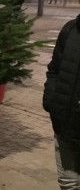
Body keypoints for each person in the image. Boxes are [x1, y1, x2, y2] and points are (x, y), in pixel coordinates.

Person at [43, 14, 80, 189]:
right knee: (68, 182)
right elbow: (54, 70)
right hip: (66, 126)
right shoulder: (70, 30)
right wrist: (52, 101)